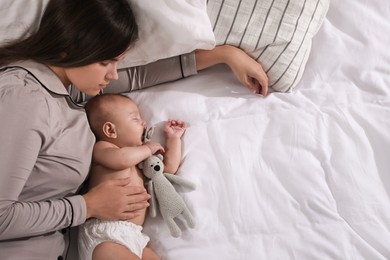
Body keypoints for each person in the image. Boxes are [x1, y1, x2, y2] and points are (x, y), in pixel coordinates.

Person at [0, 0, 268, 259]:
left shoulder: (67, 92)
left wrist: (224, 55)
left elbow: (140, 76)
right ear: (69, 50)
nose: (114, 75)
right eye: (106, 62)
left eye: (117, 62)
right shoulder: (24, 97)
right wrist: (88, 206)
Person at [78, 94, 186, 260]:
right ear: (110, 130)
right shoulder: (103, 148)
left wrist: (173, 140)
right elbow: (122, 160)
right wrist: (147, 149)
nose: (144, 123)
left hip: (135, 236)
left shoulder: (141, 159)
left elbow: (167, 172)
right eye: (135, 119)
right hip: (105, 235)